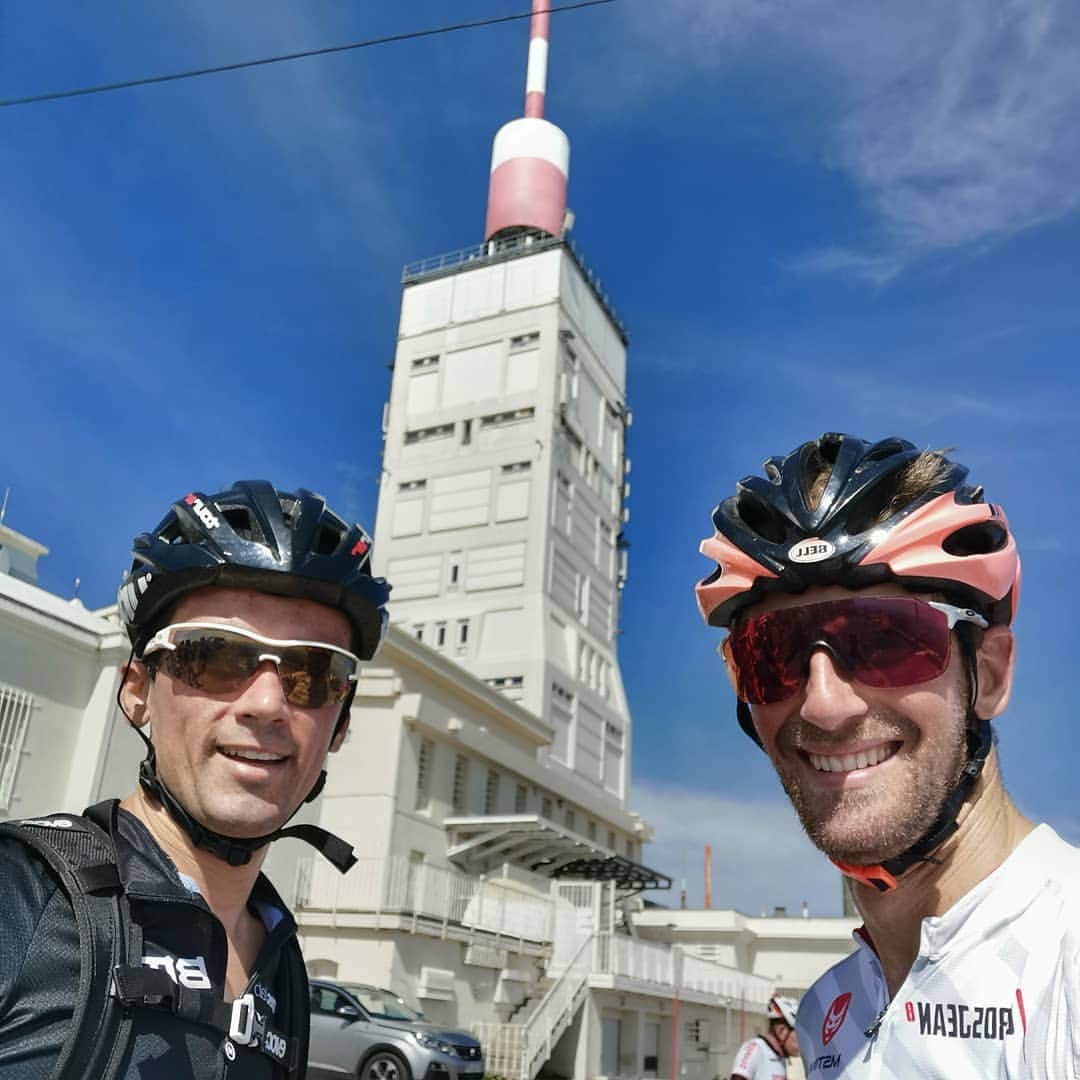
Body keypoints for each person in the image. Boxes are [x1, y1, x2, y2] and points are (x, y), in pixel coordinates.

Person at [695, 433, 1080, 1078]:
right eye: (771, 655)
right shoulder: (828, 1012)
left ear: (989, 672)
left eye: (885, 638)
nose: (823, 704)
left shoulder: (1064, 968)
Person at [0, 480, 390, 1078]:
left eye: (313, 672)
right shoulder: (21, 897)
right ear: (137, 693)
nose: (266, 703)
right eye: (214, 656)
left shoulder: (283, 962)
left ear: (338, 725)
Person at [729, 995, 800, 1079]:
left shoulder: (780, 1058)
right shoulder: (755, 1049)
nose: (802, 1042)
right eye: (799, 1035)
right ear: (782, 1031)